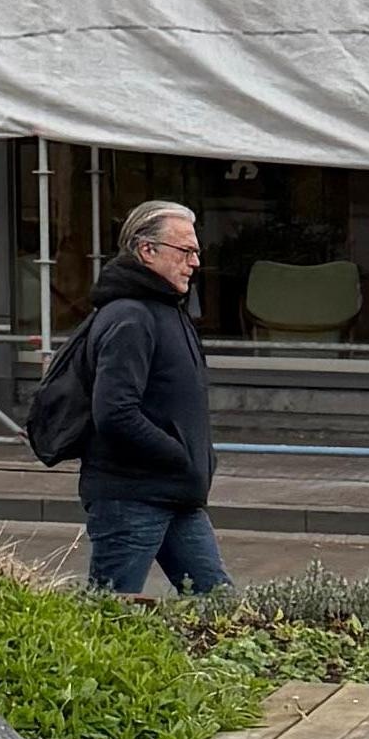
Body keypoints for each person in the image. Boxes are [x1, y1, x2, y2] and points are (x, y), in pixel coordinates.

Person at [67, 200, 229, 602]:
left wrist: (196, 460)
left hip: (176, 494)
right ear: (147, 251)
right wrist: (178, 454)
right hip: (132, 498)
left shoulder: (166, 310)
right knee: (109, 616)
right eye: (184, 251)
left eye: (196, 252)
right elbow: (115, 412)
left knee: (220, 608)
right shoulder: (129, 317)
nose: (194, 263)